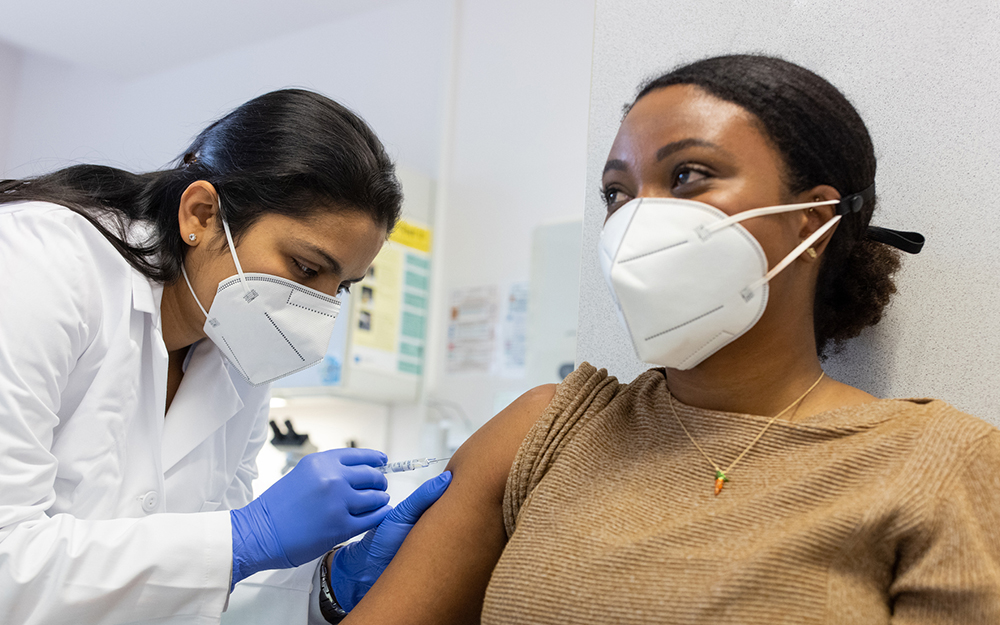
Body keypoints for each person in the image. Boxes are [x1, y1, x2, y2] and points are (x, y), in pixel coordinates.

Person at [337, 55, 1000, 624]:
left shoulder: (939, 464)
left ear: (811, 221)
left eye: (687, 175)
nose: (636, 219)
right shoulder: (548, 429)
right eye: (617, 193)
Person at [0, 89, 449, 625]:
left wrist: (326, 583)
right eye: (306, 268)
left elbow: (204, 583)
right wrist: (245, 537)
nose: (318, 307)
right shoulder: (37, 266)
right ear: (202, 214)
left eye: (342, 287)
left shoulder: (240, 350)